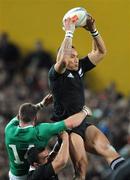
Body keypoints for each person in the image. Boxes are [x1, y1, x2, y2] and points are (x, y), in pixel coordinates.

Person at [48, 15, 125, 179]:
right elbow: (61, 60)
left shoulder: (79, 68)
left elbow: (101, 52)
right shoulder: (56, 74)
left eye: (76, 56)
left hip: (82, 123)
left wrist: (93, 31)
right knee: (82, 168)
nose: (76, 59)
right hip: (67, 127)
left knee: (109, 151)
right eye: (72, 56)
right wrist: (69, 33)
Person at [5, 93, 91, 180]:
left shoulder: (9, 130)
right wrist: (85, 111)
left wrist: (40, 105)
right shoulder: (41, 131)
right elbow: (71, 123)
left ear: (20, 117)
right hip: (35, 173)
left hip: (15, 176)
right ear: (35, 119)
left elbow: (23, 114)